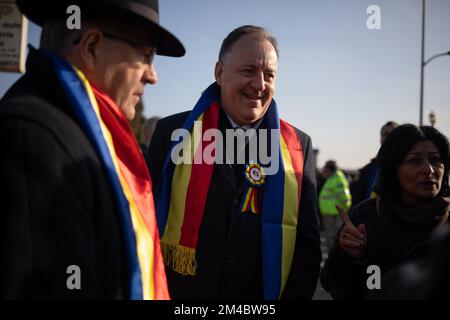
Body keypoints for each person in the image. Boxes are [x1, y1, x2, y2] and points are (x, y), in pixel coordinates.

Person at [0, 0, 185, 299]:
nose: (153, 76)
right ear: (91, 47)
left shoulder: (79, 133)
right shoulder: (32, 141)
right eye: (146, 55)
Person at [146, 25, 321, 300]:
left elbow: (306, 246)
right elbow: (145, 223)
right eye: (249, 71)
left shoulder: (299, 146)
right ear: (219, 73)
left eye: (269, 75)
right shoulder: (172, 132)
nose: (260, 85)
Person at [320, 124, 450, 299]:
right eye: (414, 161)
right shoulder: (366, 217)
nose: (429, 170)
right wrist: (350, 257)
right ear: (394, 170)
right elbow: (335, 286)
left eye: (436, 160)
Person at [352, 121, 398, 207]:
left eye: (393, 133)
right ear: (381, 140)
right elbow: (358, 200)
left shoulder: (410, 167)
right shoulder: (368, 170)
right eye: (386, 134)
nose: (390, 137)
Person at [318, 160, 352, 252]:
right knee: (331, 238)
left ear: (329, 170)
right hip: (330, 214)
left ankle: (334, 260)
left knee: (334, 238)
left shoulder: (338, 180)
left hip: (335, 215)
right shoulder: (332, 179)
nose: (323, 172)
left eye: (325, 169)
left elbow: (344, 199)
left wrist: (343, 212)